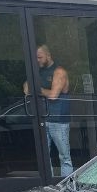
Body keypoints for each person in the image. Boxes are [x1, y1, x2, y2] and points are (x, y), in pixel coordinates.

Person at [24, 45, 72, 176]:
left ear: (48, 56)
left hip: (58, 120)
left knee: (64, 157)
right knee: (45, 157)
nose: (37, 60)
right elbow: (26, 90)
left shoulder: (59, 71)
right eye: (35, 58)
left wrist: (37, 90)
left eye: (39, 57)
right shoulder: (37, 72)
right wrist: (35, 88)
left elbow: (53, 95)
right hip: (42, 119)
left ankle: (66, 184)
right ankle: (49, 183)